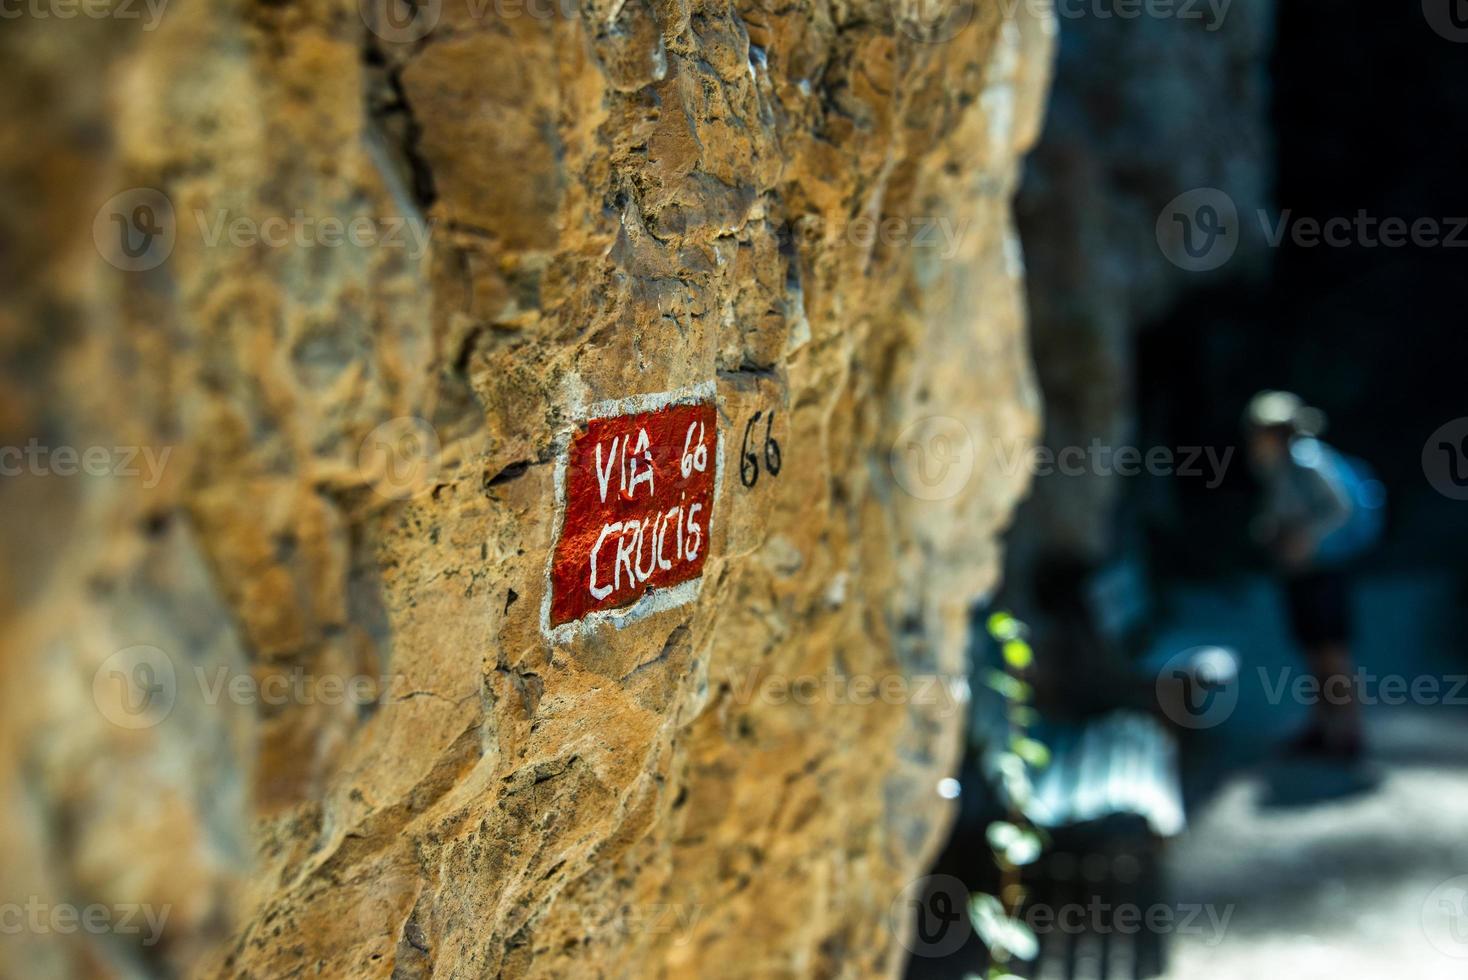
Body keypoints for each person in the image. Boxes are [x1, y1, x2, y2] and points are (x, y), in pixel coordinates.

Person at [1244, 391, 1366, 758]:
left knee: (1332, 653)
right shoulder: (1279, 467)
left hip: (1323, 571)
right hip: (1300, 574)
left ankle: (1349, 734)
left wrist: (1306, 538)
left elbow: (1339, 508)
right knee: (1314, 653)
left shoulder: (1308, 461)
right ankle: (1322, 728)